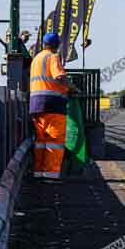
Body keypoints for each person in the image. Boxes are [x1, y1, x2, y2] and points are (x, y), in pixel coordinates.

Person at [29, 33, 75, 181]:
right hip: (53, 104)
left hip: (36, 105)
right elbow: (59, 76)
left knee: (41, 141)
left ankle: (38, 172)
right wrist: (73, 88)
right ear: (57, 45)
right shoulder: (52, 57)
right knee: (54, 141)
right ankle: (51, 175)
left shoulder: (36, 59)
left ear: (43, 44)